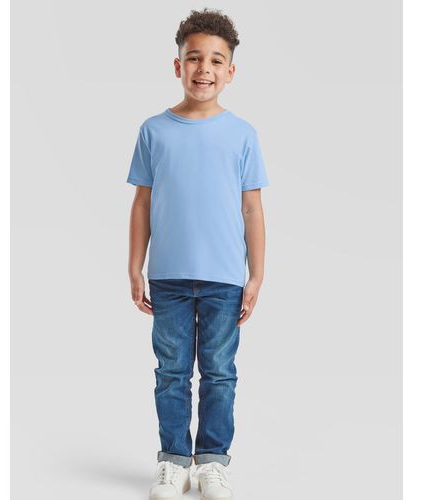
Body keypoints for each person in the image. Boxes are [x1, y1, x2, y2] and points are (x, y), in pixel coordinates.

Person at [126, 8, 269, 500]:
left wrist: (256, 274)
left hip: (224, 278)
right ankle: (172, 462)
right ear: (177, 66)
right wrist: (134, 267)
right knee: (170, 373)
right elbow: (142, 203)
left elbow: (252, 208)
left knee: (219, 373)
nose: (203, 68)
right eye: (193, 58)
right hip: (167, 276)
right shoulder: (154, 130)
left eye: (215, 60)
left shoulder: (242, 134)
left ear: (231, 71)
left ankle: (211, 461)